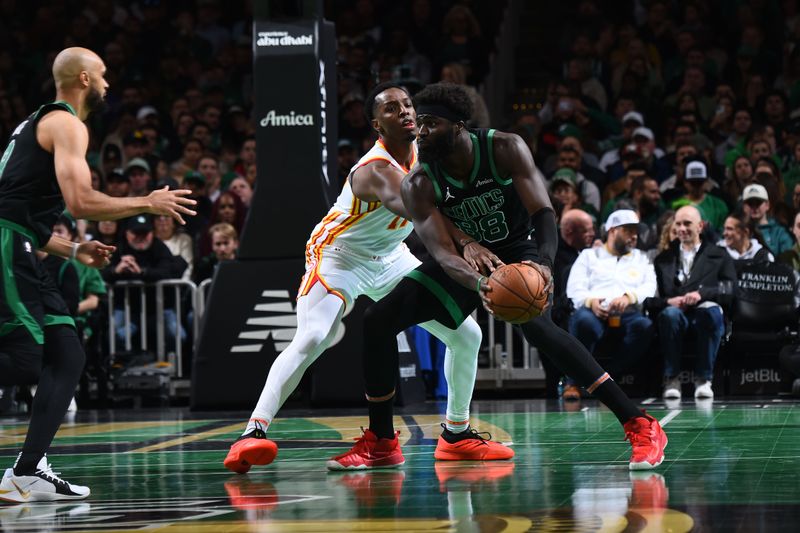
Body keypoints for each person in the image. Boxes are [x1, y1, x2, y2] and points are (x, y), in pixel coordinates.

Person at [329, 83, 667, 472]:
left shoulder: (504, 147)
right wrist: (480, 284)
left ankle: (639, 423)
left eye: (430, 123)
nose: (420, 132)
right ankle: (383, 441)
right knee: (377, 321)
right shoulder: (418, 182)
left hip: (518, 248)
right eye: (418, 124)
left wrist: (543, 264)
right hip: (463, 262)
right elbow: (442, 252)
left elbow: (542, 212)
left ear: (458, 125)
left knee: (540, 330)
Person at [223, 82, 499, 475]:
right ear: (377, 125)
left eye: (408, 104)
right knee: (314, 336)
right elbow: (418, 210)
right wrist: (468, 240)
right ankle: (253, 432)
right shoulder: (375, 170)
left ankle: (456, 434)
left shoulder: (426, 152)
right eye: (392, 109)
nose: (404, 111)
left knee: (467, 335)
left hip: (390, 256)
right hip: (338, 255)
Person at [0, 47, 195, 503]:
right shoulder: (67, 123)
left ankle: (27, 471)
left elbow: (24, 211)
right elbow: (82, 201)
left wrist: (73, 249)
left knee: (67, 353)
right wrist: (148, 201)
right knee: (27, 360)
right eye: (103, 75)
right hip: (8, 245)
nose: (108, 84)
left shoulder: (36, 124)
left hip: (20, 242)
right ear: (84, 79)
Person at [646, 206, 736, 400]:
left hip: (705, 313)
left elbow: (730, 291)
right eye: (678, 224)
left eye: (687, 223)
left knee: (710, 312)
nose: (682, 228)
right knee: (670, 314)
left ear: (700, 226)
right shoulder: (663, 259)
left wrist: (702, 294)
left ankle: (704, 379)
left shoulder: (719, 255)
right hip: (675, 314)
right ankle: (672, 379)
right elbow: (651, 299)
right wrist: (670, 301)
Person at [566, 210, 657, 379]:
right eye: (628, 230)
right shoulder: (589, 255)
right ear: (613, 230)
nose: (634, 236)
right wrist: (591, 301)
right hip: (593, 310)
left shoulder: (641, 258)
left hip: (627, 312)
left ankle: (608, 376)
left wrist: (629, 297)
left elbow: (650, 286)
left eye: (636, 231)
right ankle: (574, 382)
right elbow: (574, 287)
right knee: (583, 322)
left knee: (644, 327)